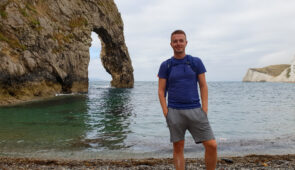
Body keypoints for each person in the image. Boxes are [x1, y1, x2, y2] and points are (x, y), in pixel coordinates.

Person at [158, 30, 217, 170]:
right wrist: (166, 112)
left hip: (196, 110)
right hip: (174, 111)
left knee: (212, 145)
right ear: (171, 44)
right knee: (178, 148)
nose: (178, 43)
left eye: (181, 40)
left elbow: (203, 85)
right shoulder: (166, 65)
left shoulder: (195, 62)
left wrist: (205, 108)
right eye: (175, 41)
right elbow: (161, 91)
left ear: (186, 43)